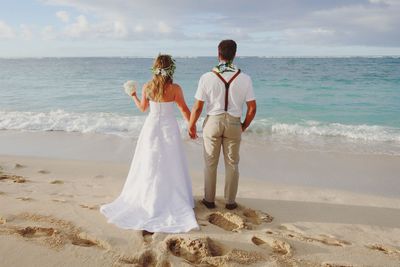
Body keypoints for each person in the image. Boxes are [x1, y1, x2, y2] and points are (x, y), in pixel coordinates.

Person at [100, 54, 199, 233]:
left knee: (150, 162)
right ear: (171, 69)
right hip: (169, 127)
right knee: (171, 162)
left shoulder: (148, 86)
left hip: (152, 127)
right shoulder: (175, 88)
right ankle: (172, 196)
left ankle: (149, 197)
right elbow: (184, 109)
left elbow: (143, 108)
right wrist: (192, 127)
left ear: (155, 68)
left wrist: (133, 95)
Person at [188, 40, 257, 210]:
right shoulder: (245, 78)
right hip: (234, 123)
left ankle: (209, 200)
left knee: (210, 163)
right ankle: (230, 202)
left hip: (213, 121)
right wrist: (243, 126)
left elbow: (198, 107)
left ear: (218, 53)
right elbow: (252, 108)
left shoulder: (207, 77)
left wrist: (191, 125)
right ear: (234, 55)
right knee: (232, 164)